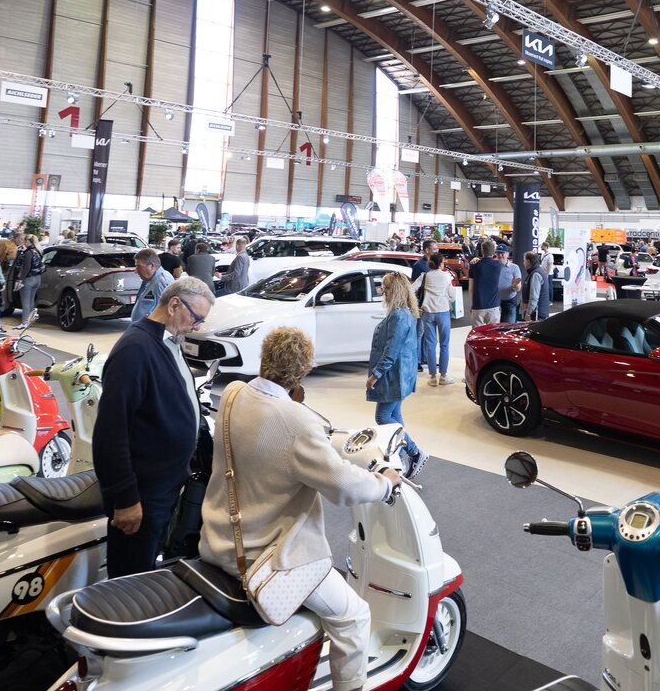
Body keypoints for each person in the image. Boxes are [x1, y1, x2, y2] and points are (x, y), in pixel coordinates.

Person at [201, 327, 398, 691]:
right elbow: (343, 486)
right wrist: (385, 483)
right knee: (355, 617)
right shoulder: (297, 421)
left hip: (218, 540)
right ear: (302, 373)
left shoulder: (231, 395)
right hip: (271, 557)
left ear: (264, 358)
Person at [99, 277, 212, 577]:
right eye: (196, 318)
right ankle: (119, 621)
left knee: (146, 566)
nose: (197, 326)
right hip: (141, 493)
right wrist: (125, 499)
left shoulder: (167, 341)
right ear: (174, 304)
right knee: (130, 577)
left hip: (162, 486)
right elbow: (111, 432)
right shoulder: (135, 349)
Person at [367, 272, 425, 478]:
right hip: (401, 375)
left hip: (395, 377)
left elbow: (391, 351)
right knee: (394, 415)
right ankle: (398, 455)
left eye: (387, 288)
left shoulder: (400, 315)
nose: (384, 292)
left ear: (397, 290)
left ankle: (414, 452)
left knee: (383, 416)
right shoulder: (404, 313)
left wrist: (375, 375)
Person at [418, 252, 454, 386]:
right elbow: (452, 295)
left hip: (427, 313)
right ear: (441, 263)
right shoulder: (446, 276)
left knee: (430, 345)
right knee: (444, 344)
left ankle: (432, 377)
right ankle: (443, 375)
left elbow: (412, 288)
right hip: (443, 312)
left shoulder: (425, 276)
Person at [129, 247, 175, 324]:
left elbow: (167, 313)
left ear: (151, 266)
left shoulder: (161, 282)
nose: (136, 271)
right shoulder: (152, 280)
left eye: (139, 266)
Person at [467, 240, 502, 326]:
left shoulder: (474, 265)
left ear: (482, 251)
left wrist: (473, 304)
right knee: (493, 335)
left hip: (478, 305)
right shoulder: (498, 265)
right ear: (494, 252)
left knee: (478, 336)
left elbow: (471, 289)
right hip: (494, 306)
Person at [14, 235, 44, 331]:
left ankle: (24, 322)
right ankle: (30, 321)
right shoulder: (39, 251)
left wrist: (20, 280)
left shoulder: (28, 253)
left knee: (25, 301)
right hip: (37, 278)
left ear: (28, 241)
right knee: (31, 301)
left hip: (28, 279)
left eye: (25, 241)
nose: (23, 243)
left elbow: (26, 268)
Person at [521, 250, 551, 322]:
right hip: (539, 313)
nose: (523, 263)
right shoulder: (537, 271)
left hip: (537, 315)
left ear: (528, 261)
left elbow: (534, 296)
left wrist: (528, 313)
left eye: (524, 260)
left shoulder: (536, 274)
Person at [498, 249, 522, 324]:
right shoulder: (494, 266)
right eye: (498, 252)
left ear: (507, 254)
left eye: (502, 252)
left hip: (509, 301)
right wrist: (475, 259)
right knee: (496, 328)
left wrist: (515, 286)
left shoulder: (514, 267)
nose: (500, 254)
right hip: (495, 302)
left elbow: (518, 288)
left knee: (509, 327)